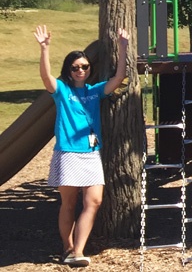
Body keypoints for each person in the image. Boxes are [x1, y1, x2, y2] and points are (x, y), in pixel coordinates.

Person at [36, 25, 128, 267]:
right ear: (69, 70)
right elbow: (46, 78)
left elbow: (118, 79)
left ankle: (78, 250)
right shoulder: (62, 90)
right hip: (67, 152)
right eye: (75, 67)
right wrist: (44, 48)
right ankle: (67, 248)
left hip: (91, 153)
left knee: (94, 201)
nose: (80, 70)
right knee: (69, 203)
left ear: (90, 69)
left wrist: (123, 46)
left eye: (84, 67)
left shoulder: (94, 91)